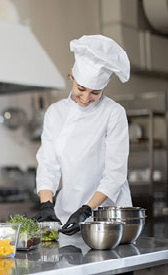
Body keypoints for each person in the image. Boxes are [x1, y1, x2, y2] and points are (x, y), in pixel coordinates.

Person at [34, 34, 132, 236]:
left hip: (107, 216)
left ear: (105, 86)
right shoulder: (55, 112)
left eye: (95, 92)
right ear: (72, 75)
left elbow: (115, 174)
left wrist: (87, 210)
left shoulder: (113, 113)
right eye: (81, 89)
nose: (86, 98)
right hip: (67, 212)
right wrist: (46, 205)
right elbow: (48, 165)